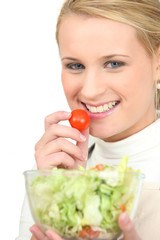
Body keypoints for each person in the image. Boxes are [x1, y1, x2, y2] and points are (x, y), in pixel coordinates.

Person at [16, 0, 160, 240]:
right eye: (75, 65)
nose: (90, 91)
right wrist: (57, 199)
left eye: (114, 63)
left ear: (158, 63)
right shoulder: (55, 168)